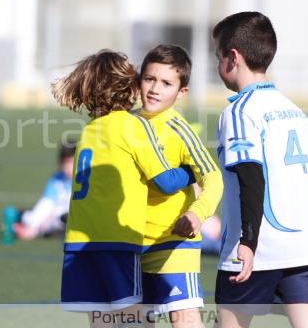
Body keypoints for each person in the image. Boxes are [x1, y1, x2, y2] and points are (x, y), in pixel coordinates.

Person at [52, 49, 195, 326]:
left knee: (102, 321)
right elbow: (165, 182)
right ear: (126, 84)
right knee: (132, 320)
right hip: (116, 240)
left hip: (79, 243)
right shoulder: (133, 126)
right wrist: (191, 172)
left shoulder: (89, 129)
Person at [213, 12, 308, 328]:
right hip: (306, 246)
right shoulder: (293, 110)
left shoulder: (239, 111)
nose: (217, 64)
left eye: (217, 56)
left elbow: (251, 176)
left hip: (257, 247)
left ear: (232, 58)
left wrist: (247, 242)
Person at [138, 45, 223, 327]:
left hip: (173, 241)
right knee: (135, 319)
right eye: (149, 79)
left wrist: (197, 214)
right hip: (131, 242)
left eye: (166, 83)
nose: (154, 88)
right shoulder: (128, 123)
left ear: (181, 92)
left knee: (184, 317)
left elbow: (213, 178)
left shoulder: (178, 128)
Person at [15, 143, 75, 240]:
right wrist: (32, 227)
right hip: (57, 217)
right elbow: (47, 203)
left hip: (74, 218)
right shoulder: (57, 179)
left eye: (71, 162)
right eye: (64, 163)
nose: (67, 167)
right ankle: (21, 217)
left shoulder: (85, 179)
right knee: (37, 218)